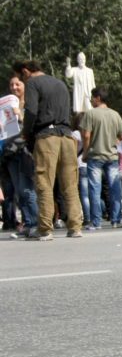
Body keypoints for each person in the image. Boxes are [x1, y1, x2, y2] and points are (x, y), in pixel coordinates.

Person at [14, 59, 85, 239]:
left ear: (25, 72)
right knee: (69, 184)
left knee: (44, 183)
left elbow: (31, 111)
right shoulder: (60, 83)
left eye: (21, 76)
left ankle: (45, 228)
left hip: (47, 137)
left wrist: (26, 133)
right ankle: (75, 227)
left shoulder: (32, 83)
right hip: (67, 137)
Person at [80, 87, 122, 230]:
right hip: (112, 156)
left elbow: (86, 135)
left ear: (98, 98)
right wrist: (113, 143)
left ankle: (96, 222)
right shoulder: (115, 114)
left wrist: (86, 152)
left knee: (94, 189)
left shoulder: (90, 114)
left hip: (95, 155)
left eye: (93, 98)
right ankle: (116, 220)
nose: (91, 100)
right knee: (115, 188)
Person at [2, 75, 39, 238]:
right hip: (10, 152)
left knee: (27, 189)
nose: (14, 87)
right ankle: (28, 223)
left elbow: (34, 127)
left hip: (25, 152)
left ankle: (37, 224)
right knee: (19, 191)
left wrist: (21, 116)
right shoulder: (5, 108)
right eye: (11, 85)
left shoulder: (29, 104)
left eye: (18, 84)